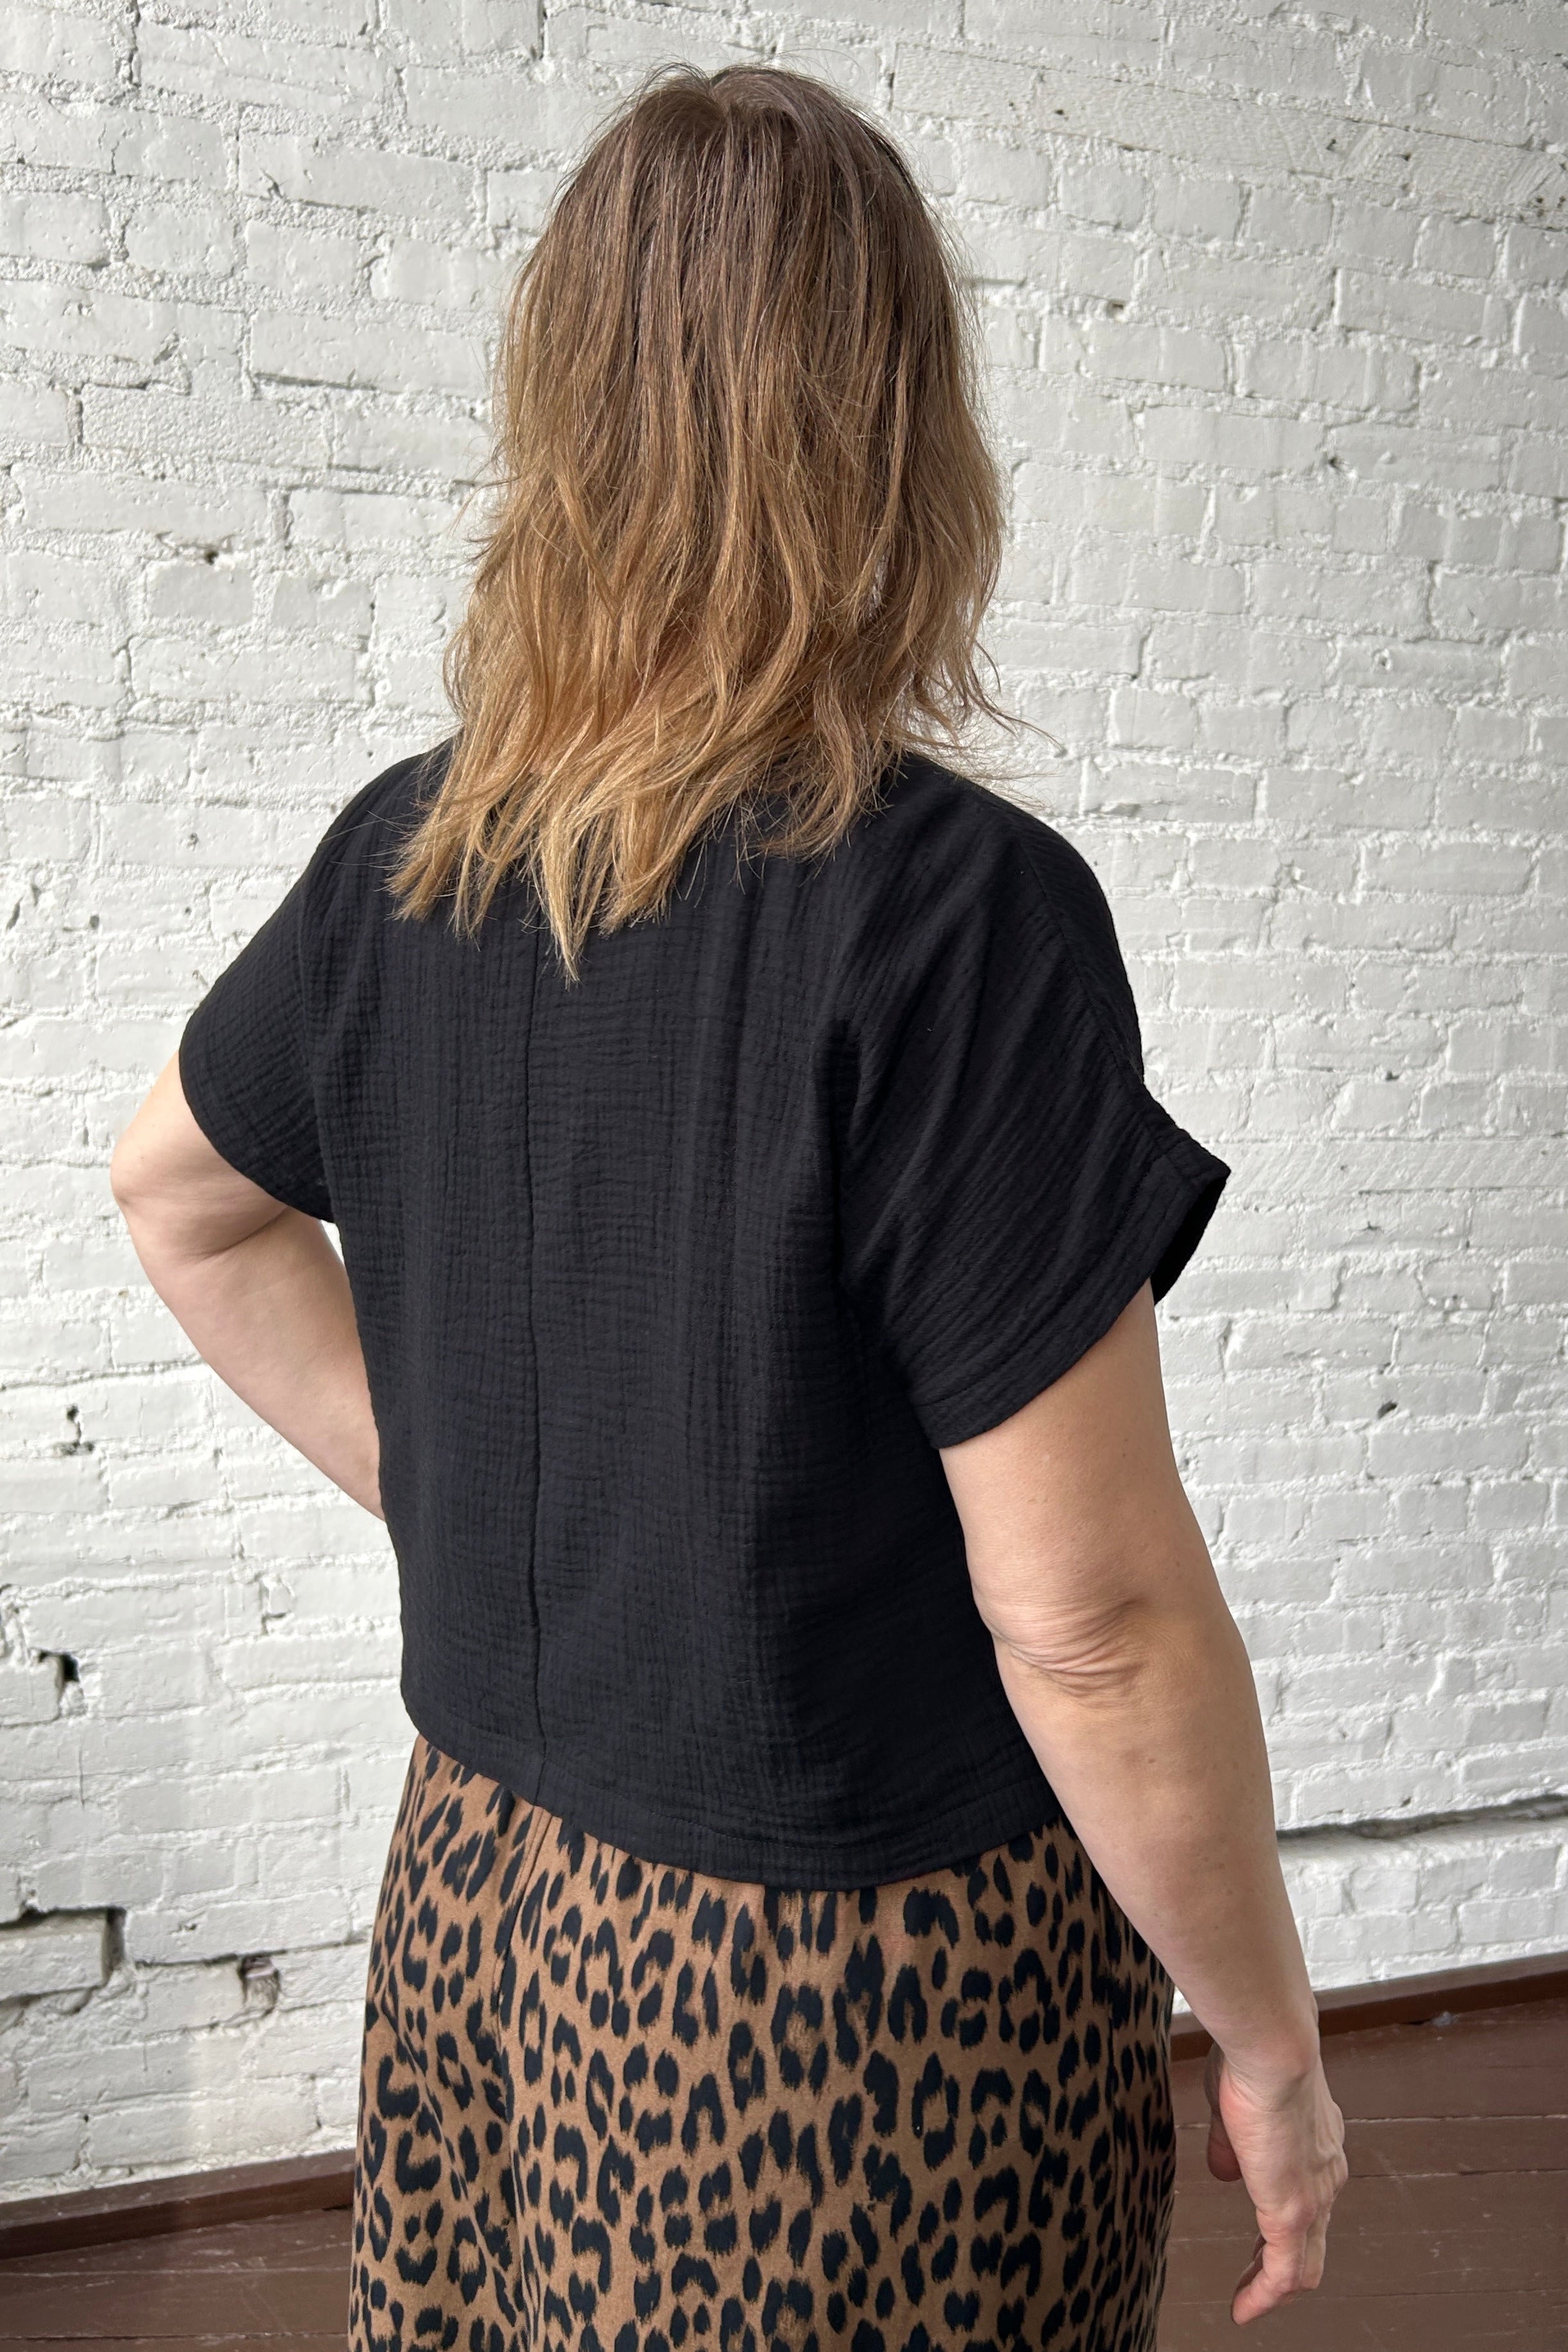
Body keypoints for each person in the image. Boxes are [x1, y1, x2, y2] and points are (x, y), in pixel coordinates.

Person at [110, 60, 1346, 2352]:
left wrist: (462, 1496)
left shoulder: (412, 855)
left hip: (476, 1904)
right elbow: (1091, 1622)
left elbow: (176, 1196)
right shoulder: (953, 913)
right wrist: (1268, 2039)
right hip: (850, 1997)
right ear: (897, 435)